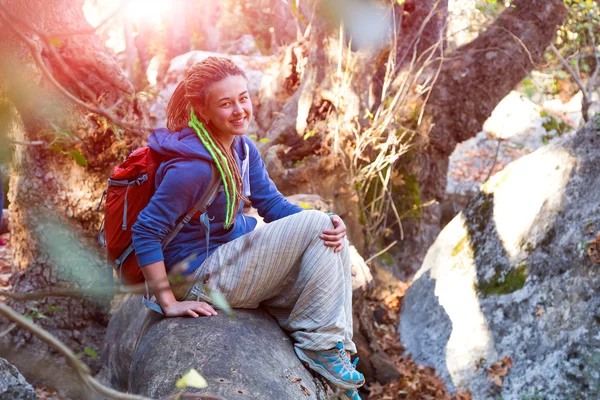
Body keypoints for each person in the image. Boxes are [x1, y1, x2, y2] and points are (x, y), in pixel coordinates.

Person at [131, 56, 363, 398]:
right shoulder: (192, 169)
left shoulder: (240, 147)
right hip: (195, 276)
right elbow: (145, 230)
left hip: (224, 258)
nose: (240, 109)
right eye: (226, 103)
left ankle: (333, 347)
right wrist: (168, 302)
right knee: (316, 224)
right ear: (204, 111)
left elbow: (272, 207)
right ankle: (322, 346)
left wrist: (324, 222)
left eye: (243, 98)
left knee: (325, 227)